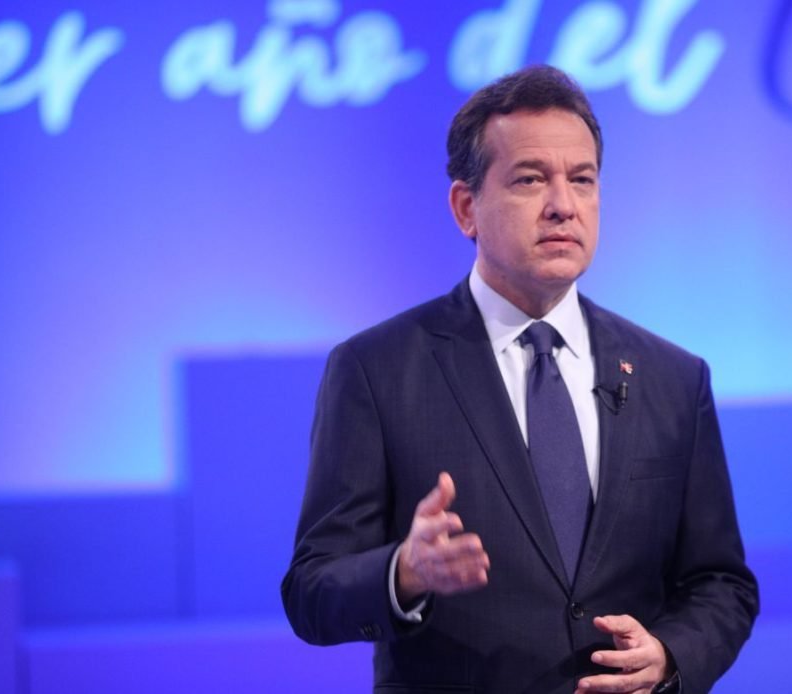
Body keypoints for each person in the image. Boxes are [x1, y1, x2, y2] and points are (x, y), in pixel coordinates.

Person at [282, 65, 758, 694]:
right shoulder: (377, 370)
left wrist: (670, 656)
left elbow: (721, 583)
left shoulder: (673, 378)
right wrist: (405, 570)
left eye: (582, 180)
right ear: (466, 208)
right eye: (530, 179)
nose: (563, 204)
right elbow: (312, 591)